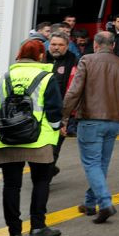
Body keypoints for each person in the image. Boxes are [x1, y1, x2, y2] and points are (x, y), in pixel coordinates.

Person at [0, 40, 64, 236]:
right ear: (40, 56)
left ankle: (14, 234)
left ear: (19, 55)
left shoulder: (0, 80)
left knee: (11, 186)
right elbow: (55, 110)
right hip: (39, 140)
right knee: (41, 182)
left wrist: (1, 129)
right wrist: (55, 129)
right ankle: (37, 228)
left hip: (7, 140)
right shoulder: (46, 78)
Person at [63, 30, 119, 224]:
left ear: (95, 45)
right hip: (114, 122)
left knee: (92, 164)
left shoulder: (87, 60)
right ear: (113, 45)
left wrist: (63, 117)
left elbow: (74, 92)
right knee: (101, 164)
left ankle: (104, 203)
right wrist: (117, 108)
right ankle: (89, 202)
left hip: (90, 120)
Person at [45, 34, 78, 172]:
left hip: (61, 113)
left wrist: (66, 117)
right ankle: (47, 171)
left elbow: (74, 90)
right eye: (53, 44)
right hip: (40, 113)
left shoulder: (73, 61)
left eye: (60, 45)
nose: (56, 48)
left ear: (67, 46)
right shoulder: (41, 59)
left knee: (54, 147)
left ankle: (47, 173)